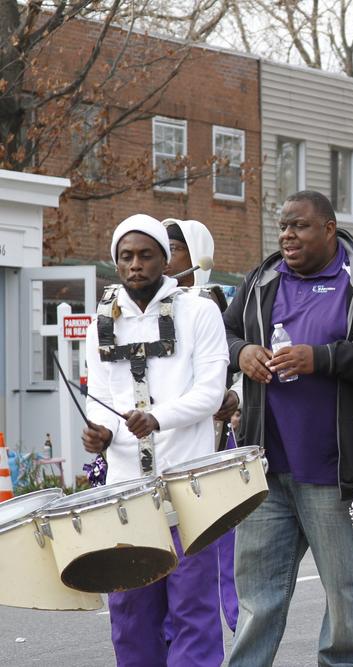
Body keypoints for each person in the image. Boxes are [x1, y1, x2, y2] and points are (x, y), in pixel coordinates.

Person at [223, 190, 353, 667]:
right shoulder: (262, 280)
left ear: (329, 229)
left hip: (335, 471)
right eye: (283, 226)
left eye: (300, 226)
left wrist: (321, 358)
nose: (287, 235)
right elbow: (221, 336)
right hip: (266, 468)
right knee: (258, 598)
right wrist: (242, 352)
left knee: (345, 596)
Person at [81, 214, 229, 667]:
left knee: (192, 607)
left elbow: (210, 392)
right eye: (126, 257)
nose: (135, 265)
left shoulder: (199, 310)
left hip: (191, 485)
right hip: (126, 490)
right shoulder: (99, 323)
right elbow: (100, 397)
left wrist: (156, 418)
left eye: (146, 255)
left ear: (165, 260)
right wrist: (101, 432)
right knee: (129, 611)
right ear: (116, 264)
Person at [163, 217, 241, 634]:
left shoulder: (215, 305)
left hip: (201, 446)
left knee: (199, 552)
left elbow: (242, 366)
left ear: (195, 255)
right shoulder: (133, 307)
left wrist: (233, 397)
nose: (162, 255)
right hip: (149, 449)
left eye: (172, 247)